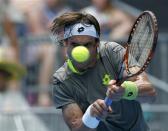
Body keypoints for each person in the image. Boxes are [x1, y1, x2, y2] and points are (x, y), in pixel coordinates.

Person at [51, 12, 156, 131]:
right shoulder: (61, 79)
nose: (80, 50)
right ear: (65, 43)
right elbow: (76, 127)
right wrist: (91, 115)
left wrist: (125, 90)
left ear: (96, 43)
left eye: (87, 45)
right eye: (74, 44)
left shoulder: (112, 52)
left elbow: (150, 94)